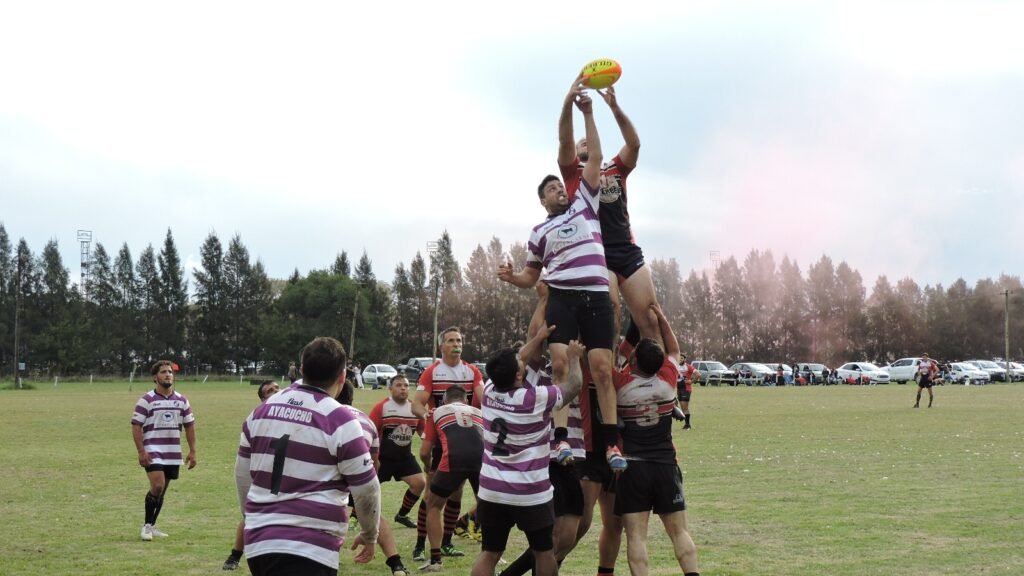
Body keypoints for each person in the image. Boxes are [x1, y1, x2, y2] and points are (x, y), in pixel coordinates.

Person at [498, 77, 626, 473]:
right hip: (563, 299)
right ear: (542, 199)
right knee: (560, 369)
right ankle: (560, 442)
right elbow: (530, 277)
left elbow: (591, 153)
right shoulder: (539, 232)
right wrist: (511, 277)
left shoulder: (585, 203)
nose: (559, 189)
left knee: (603, 369)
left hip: (596, 297)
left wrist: (585, 111)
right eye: (552, 188)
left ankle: (611, 445)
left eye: (560, 185)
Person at [234, 336, 380, 576]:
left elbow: (242, 476)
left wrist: (255, 520)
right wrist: (369, 533)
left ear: (301, 369)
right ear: (343, 376)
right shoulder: (341, 420)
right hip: (310, 545)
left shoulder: (261, 411)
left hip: (259, 543)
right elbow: (367, 489)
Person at [558, 82, 660, 363]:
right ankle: (612, 373)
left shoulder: (616, 168)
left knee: (650, 317)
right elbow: (565, 142)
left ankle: (660, 379)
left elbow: (635, 144)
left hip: (625, 250)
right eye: (582, 142)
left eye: (589, 140)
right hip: (596, 253)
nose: (585, 142)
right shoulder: (571, 173)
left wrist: (615, 108)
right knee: (612, 313)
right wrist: (572, 107)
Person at [476, 327, 586, 576]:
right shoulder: (535, 398)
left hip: (492, 490)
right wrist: (574, 357)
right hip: (530, 492)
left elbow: (520, 360)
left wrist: (537, 339)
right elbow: (574, 385)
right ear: (517, 374)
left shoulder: (489, 391)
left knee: (490, 552)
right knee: (543, 551)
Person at [614, 304, 700, 576]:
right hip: (665, 465)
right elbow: (674, 351)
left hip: (633, 468)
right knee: (679, 532)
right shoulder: (667, 381)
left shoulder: (620, 385)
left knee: (637, 538)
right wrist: (663, 318)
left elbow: (604, 365)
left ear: (634, 361)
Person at [410, 326, 484, 560]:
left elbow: (483, 401)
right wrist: (428, 416)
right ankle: (421, 544)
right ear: (441, 346)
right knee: (433, 494)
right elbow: (416, 404)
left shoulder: (472, 371)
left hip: (465, 437)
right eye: (451, 340)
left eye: (459, 340)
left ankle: (447, 542)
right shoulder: (432, 372)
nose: (456, 344)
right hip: (440, 438)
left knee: (457, 493)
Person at [337, 379, 410, 576]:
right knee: (375, 515)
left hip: (333, 476)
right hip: (361, 474)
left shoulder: (324, 413)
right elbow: (375, 463)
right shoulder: (365, 419)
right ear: (352, 398)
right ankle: (396, 565)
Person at [419, 386, 485, 572]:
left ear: (445, 401)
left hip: (453, 459)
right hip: (482, 459)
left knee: (433, 505)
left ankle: (436, 560)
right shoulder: (478, 412)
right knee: (488, 505)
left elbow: (424, 451)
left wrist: (429, 467)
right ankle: (492, 554)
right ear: (466, 402)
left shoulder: (436, 412)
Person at [131, 360, 197, 542]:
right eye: (163, 372)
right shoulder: (147, 400)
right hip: (153, 450)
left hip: (173, 452)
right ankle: (146, 526)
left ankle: (151, 526)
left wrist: (193, 451)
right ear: (155, 377)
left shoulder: (182, 400)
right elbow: (136, 426)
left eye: (170, 372)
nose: (168, 374)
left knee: (162, 490)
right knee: (158, 485)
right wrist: (141, 451)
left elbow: (190, 426)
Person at [224, 380, 280, 570]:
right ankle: (234, 556)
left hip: (283, 475)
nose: (274, 392)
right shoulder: (257, 418)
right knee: (250, 515)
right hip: (261, 473)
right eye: (269, 391)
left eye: (276, 388)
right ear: (263, 398)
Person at [368, 374, 426, 530]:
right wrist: (374, 458)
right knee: (368, 488)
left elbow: (423, 431)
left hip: (404, 458)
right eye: (399, 385)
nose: (403, 388)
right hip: (382, 458)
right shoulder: (382, 407)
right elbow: (369, 433)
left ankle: (402, 515)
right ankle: (355, 517)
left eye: (406, 385)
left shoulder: (414, 408)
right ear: (390, 388)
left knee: (419, 483)